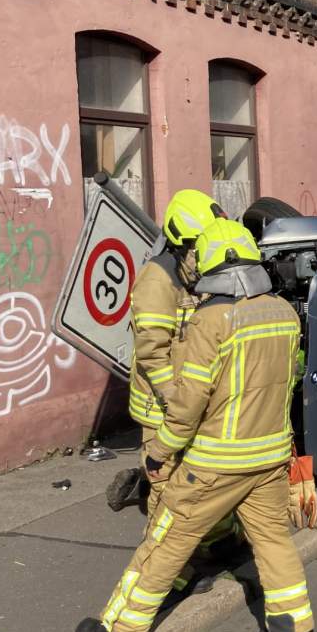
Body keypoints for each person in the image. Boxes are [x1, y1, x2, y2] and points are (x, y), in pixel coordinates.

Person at [77, 219, 315, 632]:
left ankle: (124, 630)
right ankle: (293, 625)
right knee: (273, 541)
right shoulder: (284, 312)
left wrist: (161, 454)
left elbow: (189, 404)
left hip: (216, 462)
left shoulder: (212, 320)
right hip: (270, 458)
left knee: (165, 542)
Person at [114, 189, 239, 597]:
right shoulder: (158, 282)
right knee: (166, 492)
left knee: (204, 480)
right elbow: (152, 353)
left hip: (188, 406)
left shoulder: (191, 276)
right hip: (162, 410)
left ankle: (216, 542)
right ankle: (171, 574)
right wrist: (178, 405)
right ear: (180, 244)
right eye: (197, 250)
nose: (204, 259)